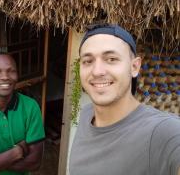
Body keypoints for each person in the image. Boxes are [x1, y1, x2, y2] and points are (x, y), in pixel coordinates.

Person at [69, 24, 180, 175]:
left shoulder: (163, 131)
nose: (97, 71)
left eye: (111, 59)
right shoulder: (86, 115)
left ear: (134, 67)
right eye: (88, 61)